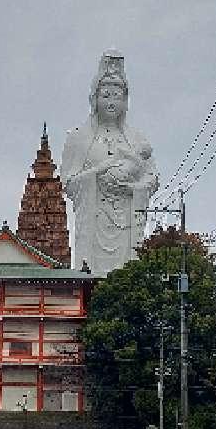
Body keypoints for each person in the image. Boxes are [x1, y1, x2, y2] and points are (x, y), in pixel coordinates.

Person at [61, 51, 159, 276]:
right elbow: (69, 182)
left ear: (126, 101)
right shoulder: (79, 138)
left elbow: (152, 179)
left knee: (129, 272)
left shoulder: (137, 139)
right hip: (94, 219)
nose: (111, 102)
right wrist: (98, 173)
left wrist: (131, 188)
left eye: (117, 96)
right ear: (94, 98)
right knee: (90, 276)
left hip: (127, 221)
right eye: (106, 95)